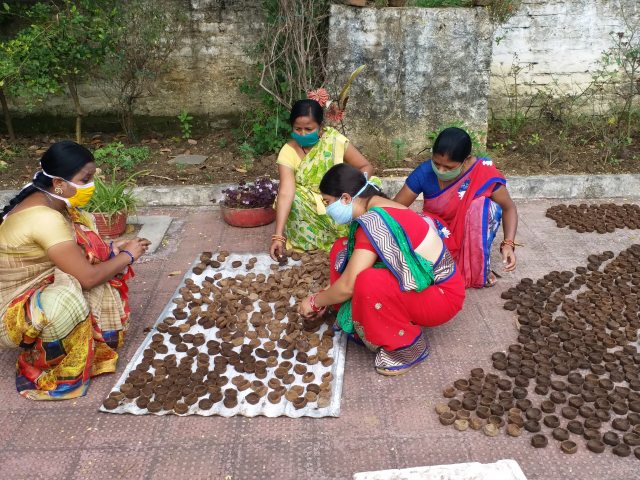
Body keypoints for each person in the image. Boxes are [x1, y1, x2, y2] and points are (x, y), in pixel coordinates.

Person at [0, 141, 150, 400]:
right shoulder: (45, 218)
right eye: (85, 179)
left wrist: (112, 249)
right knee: (67, 298)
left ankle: (66, 342)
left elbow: (77, 253)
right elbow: (88, 278)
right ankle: (50, 368)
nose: (91, 186)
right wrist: (127, 256)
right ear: (58, 183)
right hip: (9, 312)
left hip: (36, 286)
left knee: (88, 273)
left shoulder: (51, 200)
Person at [298, 164, 465, 376]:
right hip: (427, 284)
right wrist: (327, 294)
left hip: (442, 297)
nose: (327, 209)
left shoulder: (375, 220)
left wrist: (315, 300)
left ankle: (406, 347)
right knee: (342, 248)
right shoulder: (378, 206)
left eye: (328, 202)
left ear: (346, 198)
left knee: (368, 282)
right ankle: (352, 310)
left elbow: (350, 284)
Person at [393, 127, 519, 289]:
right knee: (418, 221)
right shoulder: (424, 172)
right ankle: (441, 267)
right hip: (439, 231)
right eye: (436, 164)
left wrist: (508, 244)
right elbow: (395, 208)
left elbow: (509, 208)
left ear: (466, 160)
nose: (440, 171)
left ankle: (476, 267)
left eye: (449, 167)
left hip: (469, 230)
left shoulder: (483, 171)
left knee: (484, 208)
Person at [270, 99, 374, 260]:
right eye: (297, 129)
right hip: (310, 206)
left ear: (320, 127)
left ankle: (355, 235)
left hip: (339, 198)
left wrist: (351, 192)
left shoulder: (334, 141)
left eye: (309, 129)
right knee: (295, 198)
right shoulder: (288, 151)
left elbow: (365, 166)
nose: (303, 134)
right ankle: (313, 244)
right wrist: (278, 236)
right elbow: (286, 192)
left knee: (371, 189)